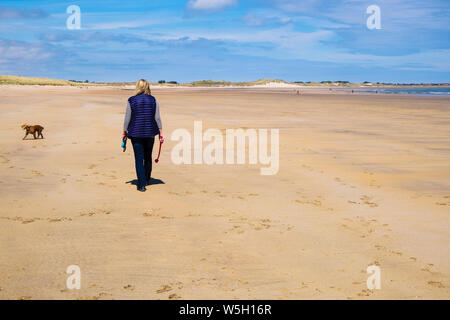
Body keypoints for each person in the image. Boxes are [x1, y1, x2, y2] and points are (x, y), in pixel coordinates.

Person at [123, 79, 163, 192]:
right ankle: (146, 178)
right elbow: (157, 118)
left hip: (135, 133)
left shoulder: (131, 100)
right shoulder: (153, 100)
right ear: (147, 87)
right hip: (150, 133)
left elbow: (127, 118)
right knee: (148, 157)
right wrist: (161, 132)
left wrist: (124, 132)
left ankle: (141, 185)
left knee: (139, 158)